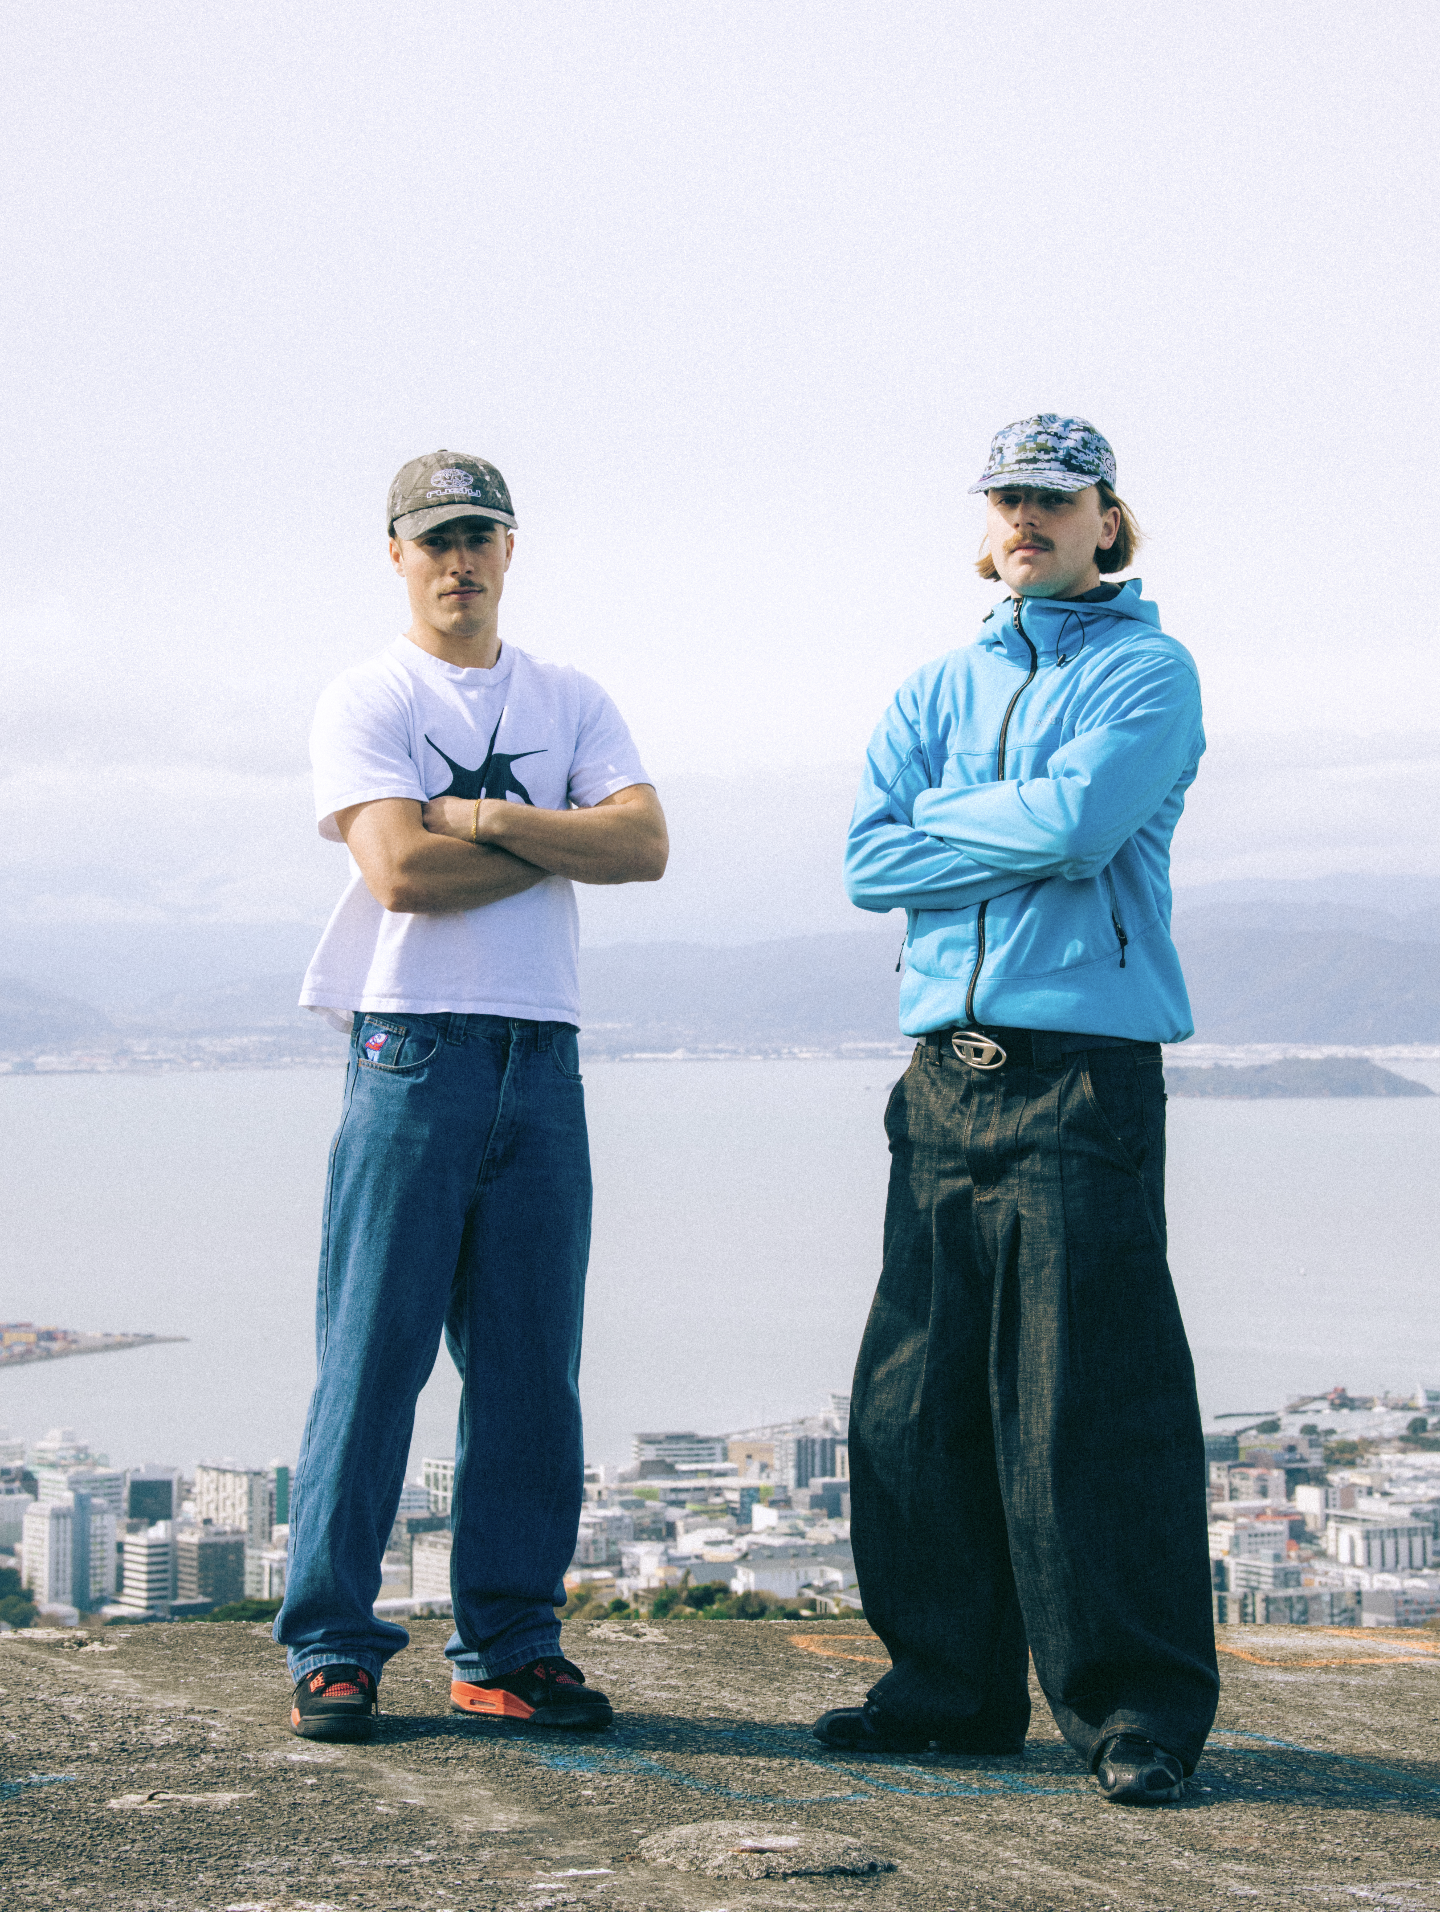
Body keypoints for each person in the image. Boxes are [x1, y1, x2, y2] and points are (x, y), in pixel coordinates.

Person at [813, 416, 1216, 1805]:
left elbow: (1084, 825)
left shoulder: (1150, 671)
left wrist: (963, 819)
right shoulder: (936, 682)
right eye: (1006, 500)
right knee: (911, 1406)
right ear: (986, 525)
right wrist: (1020, 816)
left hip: (1081, 1072)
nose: (1026, 519)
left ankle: (1134, 1715)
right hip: (942, 1073)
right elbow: (868, 862)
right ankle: (948, 1692)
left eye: (1054, 498)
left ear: (1108, 518)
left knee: (1087, 1409)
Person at [276, 450, 668, 1742]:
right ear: (396, 553)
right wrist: (561, 834)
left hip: (541, 1053)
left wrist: (484, 820)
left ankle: (507, 1647)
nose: (459, 560)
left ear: (511, 548)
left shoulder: (572, 694)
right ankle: (333, 1646)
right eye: (436, 538)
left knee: (530, 1376)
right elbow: (399, 873)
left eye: (479, 535)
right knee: (371, 1361)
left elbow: (644, 844)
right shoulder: (369, 695)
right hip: (412, 1050)